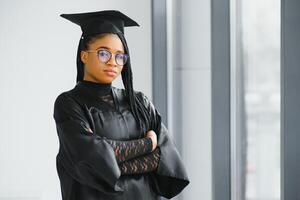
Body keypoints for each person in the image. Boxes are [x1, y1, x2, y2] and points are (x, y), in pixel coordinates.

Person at [53, 10, 189, 200]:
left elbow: (166, 159)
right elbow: (90, 160)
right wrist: (148, 143)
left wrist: (113, 158)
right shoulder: (69, 104)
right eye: (103, 53)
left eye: (120, 56)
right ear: (84, 55)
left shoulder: (139, 102)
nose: (113, 63)